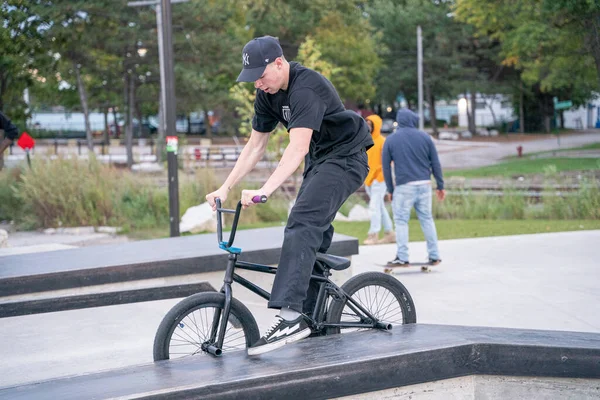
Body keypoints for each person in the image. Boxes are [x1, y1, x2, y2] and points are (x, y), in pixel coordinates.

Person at [205, 36, 372, 355]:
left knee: (302, 219)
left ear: (279, 63)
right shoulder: (266, 95)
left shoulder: (306, 87)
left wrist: (265, 191)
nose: (258, 84)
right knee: (315, 228)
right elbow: (255, 146)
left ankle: (292, 315)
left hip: (347, 156)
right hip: (321, 160)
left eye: (261, 75)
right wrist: (225, 188)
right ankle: (314, 314)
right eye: (252, 79)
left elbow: (297, 148)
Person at [382, 109, 445, 266]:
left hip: (404, 186)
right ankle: (434, 255)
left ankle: (402, 257)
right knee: (427, 219)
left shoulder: (391, 139)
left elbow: (386, 167)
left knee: (401, 221)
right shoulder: (425, 137)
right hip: (425, 184)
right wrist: (440, 185)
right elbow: (435, 163)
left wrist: (390, 189)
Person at [363, 114, 394, 245]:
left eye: (370, 125)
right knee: (379, 207)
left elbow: (389, 161)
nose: (368, 127)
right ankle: (390, 233)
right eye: (367, 124)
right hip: (368, 179)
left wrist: (380, 177)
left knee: (374, 207)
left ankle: (373, 234)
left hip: (380, 180)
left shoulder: (382, 141)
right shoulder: (366, 140)